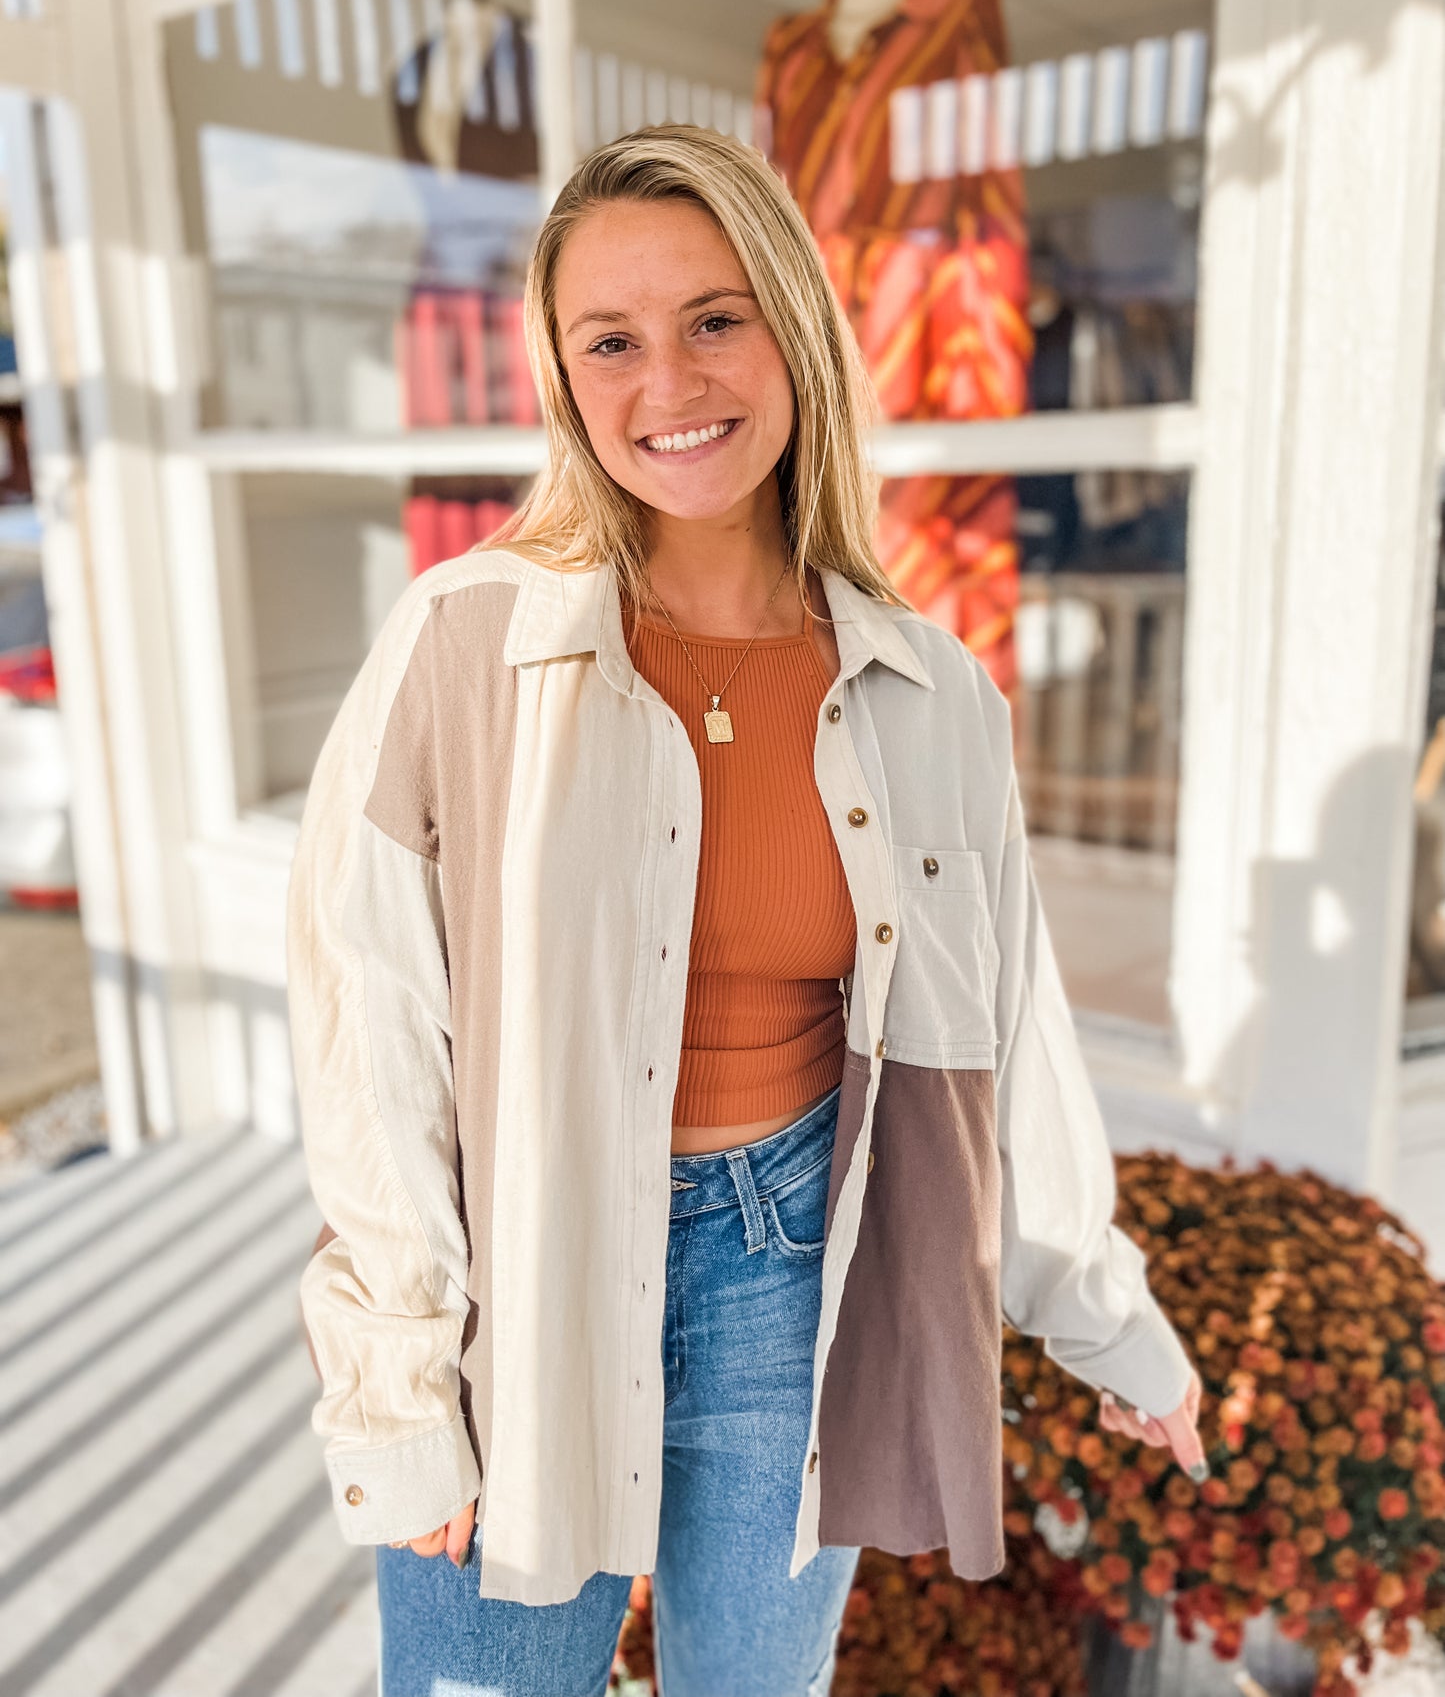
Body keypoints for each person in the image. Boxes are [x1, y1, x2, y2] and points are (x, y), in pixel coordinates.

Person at [285, 123, 1207, 1697]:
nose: (670, 382)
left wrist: (1112, 1324)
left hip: (794, 1273)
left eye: (714, 317)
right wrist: (394, 1384)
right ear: (564, 378)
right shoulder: (463, 644)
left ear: (789, 325)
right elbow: (368, 1028)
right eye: (611, 340)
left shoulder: (931, 693)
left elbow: (1002, 1046)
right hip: (525, 1264)